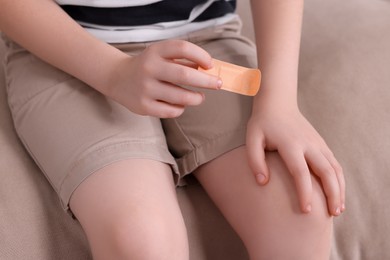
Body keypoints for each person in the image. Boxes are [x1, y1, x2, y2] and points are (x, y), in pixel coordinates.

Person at [0, 0, 345, 259]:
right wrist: (114, 74)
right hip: (66, 45)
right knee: (141, 239)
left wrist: (279, 100)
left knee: (303, 210)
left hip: (206, 37)